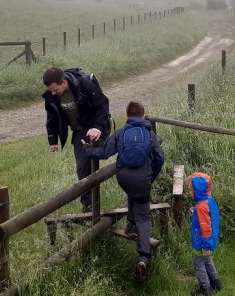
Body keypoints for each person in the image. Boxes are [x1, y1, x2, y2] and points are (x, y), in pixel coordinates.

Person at [84, 101, 165, 282]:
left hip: (124, 178)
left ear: (127, 116)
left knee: (132, 193)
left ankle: (130, 226)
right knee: (144, 215)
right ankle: (143, 258)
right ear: (143, 115)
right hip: (143, 179)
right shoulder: (149, 134)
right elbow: (160, 157)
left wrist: (87, 149)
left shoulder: (121, 132)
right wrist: (151, 176)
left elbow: (104, 152)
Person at [41, 67, 111, 211]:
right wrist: (52, 139)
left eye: (55, 90)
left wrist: (98, 127)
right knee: (82, 168)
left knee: (93, 162)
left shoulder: (84, 85)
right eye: (50, 90)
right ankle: (89, 207)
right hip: (79, 131)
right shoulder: (52, 95)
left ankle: (94, 206)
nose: (53, 93)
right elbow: (52, 117)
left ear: (64, 82)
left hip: (94, 126)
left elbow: (103, 104)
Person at [189, 172, 223, 296]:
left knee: (198, 264)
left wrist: (206, 246)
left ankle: (205, 289)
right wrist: (194, 211)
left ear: (198, 190)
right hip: (209, 240)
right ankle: (216, 283)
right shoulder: (208, 199)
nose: (190, 192)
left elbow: (205, 227)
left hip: (202, 242)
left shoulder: (201, 207)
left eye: (192, 189)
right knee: (207, 260)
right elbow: (209, 216)